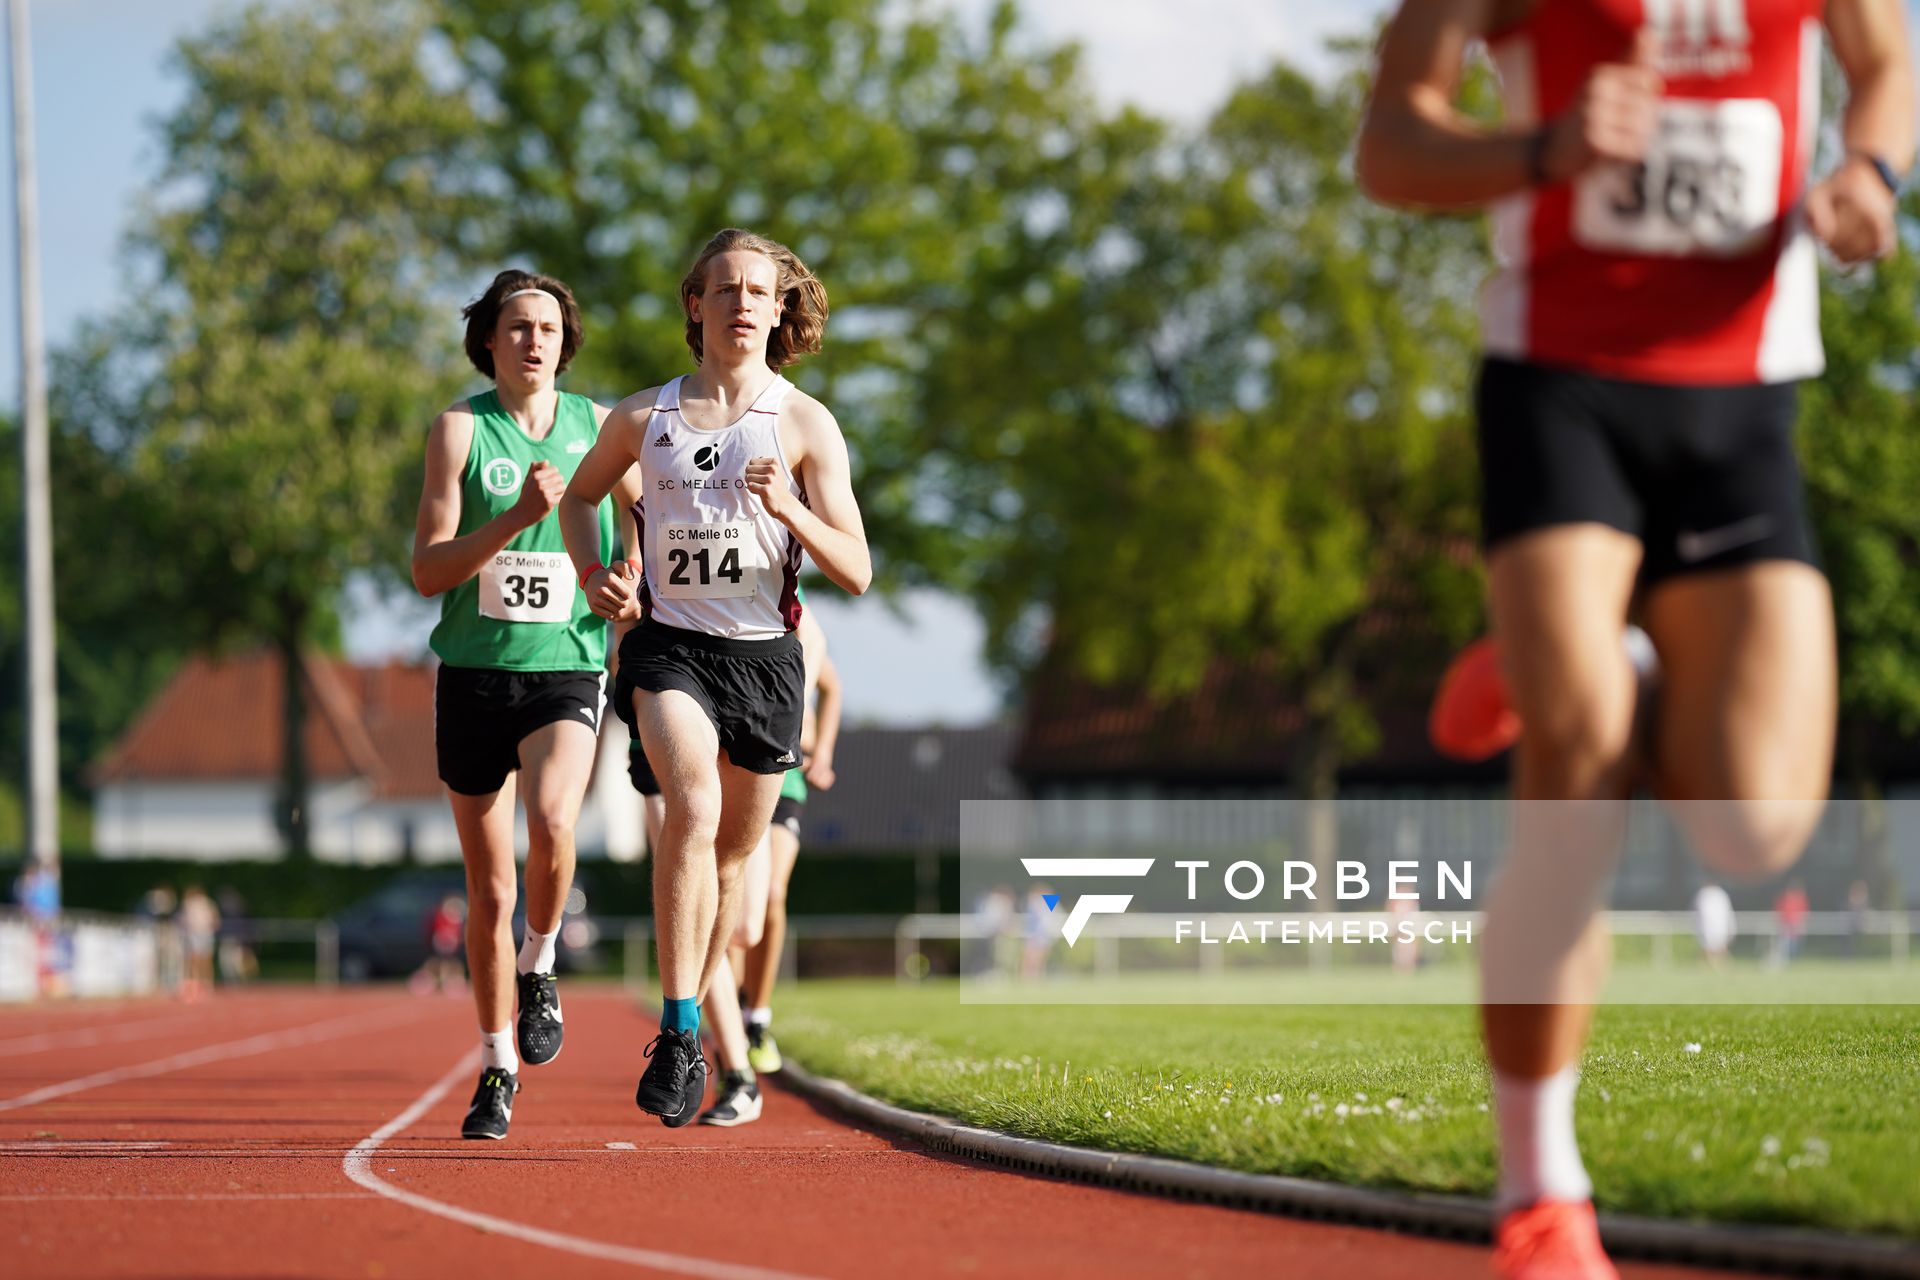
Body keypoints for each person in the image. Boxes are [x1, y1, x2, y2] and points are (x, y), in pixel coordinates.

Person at [1357, 4, 1912, 1277]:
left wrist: (1869, 173)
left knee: (1757, 826)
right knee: (1578, 767)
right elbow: (1390, 144)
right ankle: (1542, 1193)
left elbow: (1885, 66)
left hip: (1744, 402)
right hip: (1563, 385)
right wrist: (1540, 147)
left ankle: (1609, 657)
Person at [561, 227, 870, 1128]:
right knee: (688, 810)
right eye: (724, 288)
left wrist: (789, 511)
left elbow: (855, 567)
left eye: (758, 291)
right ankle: (681, 1027)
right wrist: (595, 576)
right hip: (669, 651)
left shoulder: (804, 422)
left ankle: (697, 1007)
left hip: (766, 665)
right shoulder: (640, 419)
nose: (742, 303)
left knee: (734, 862)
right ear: (695, 305)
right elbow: (585, 498)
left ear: (780, 310)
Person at [412, 269, 642, 1141]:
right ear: (489, 339)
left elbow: (636, 533)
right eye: (516, 327)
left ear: (565, 341)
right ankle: (497, 1063)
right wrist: (511, 518)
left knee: (554, 823)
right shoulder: (460, 430)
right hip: (473, 672)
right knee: (487, 889)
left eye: (547, 327)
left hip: (566, 665)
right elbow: (428, 570)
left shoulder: (599, 426)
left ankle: (541, 964)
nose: (533, 341)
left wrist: (626, 582)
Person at [738, 604, 843, 1078]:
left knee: (774, 894)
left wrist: (824, 752)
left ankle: (757, 1017)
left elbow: (831, 685)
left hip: (790, 774)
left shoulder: (797, 611)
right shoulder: (730, 603)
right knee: (737, 906)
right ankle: (733, 1004)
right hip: (740, 767)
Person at [177, 885, 220, 1003]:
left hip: (204, 933)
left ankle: (206, 984)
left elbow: (215, 918)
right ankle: (195, 985)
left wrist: (211, 927)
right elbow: (184, 920)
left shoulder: (207, 903)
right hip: (194, 934)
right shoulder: (189, 904)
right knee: (194, 960)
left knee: (205, 960)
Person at [1692, 882, 1735, 969]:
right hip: (1708, 926)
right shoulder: (1704, 894)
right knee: (1709, 948)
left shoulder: (1717, 894)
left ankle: (1722, 967)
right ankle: (1711, 967)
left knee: (1719, 948)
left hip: (1717, 926)